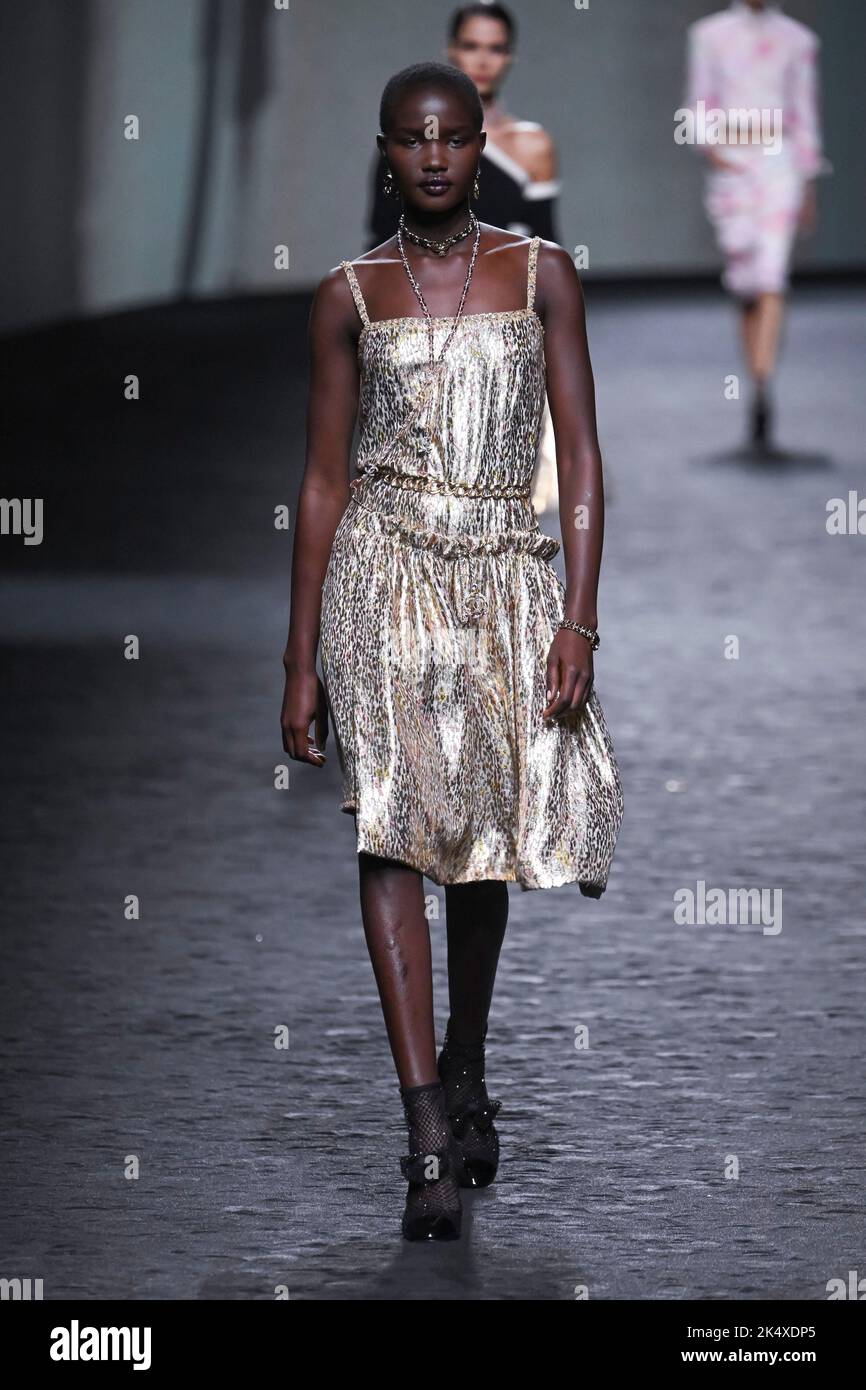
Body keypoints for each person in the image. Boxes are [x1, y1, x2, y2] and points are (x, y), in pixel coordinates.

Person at [280, 61, 624, 1242]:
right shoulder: (348, 295)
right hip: (382, 581)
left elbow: (578, 461)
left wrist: (577, 617)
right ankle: (425, 1122)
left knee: (478, 841)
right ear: (386, 149)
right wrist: (297, 660)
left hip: (499, 580)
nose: (432, 157)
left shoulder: (539, 277)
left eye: (453, 138)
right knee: (388, 829)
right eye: (411, 139)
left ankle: (466, 1062)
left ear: (484, 146)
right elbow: (323, 481)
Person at [366, 3, 563, 513]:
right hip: (421, 331)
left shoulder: (532, 145)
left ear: (510, 58)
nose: (483, 60)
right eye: (472, 47)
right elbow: (380, 241)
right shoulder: (411, 143)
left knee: (508, 490)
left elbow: (546, 245)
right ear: (452, 51)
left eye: (495, 49)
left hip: (504, 330)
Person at [684, 0, 829, 448]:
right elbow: (698, 105)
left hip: (778, 165)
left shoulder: (800, 40)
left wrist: (806, 183)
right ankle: (758, 383)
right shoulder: (708, 35)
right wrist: (717, 151)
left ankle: (763, 387)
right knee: (745, 284)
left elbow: (804, 113)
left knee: (771, 278)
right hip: (732, 170)